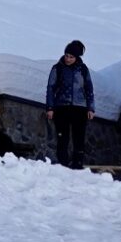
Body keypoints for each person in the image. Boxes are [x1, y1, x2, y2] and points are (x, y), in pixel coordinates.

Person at [43, 41, 95, 169]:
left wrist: (91, 108)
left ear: (77, 57)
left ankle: (77, 164)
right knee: (62, 137)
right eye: (66, 55)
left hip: (80, 108)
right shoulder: (58, 68)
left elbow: (89, 89)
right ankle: (63, 165)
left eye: (71, 57)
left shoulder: (83, 69)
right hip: (61, 107)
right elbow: (51, 88)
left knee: (79, 138)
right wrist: (50, 107)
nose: (68, 59)